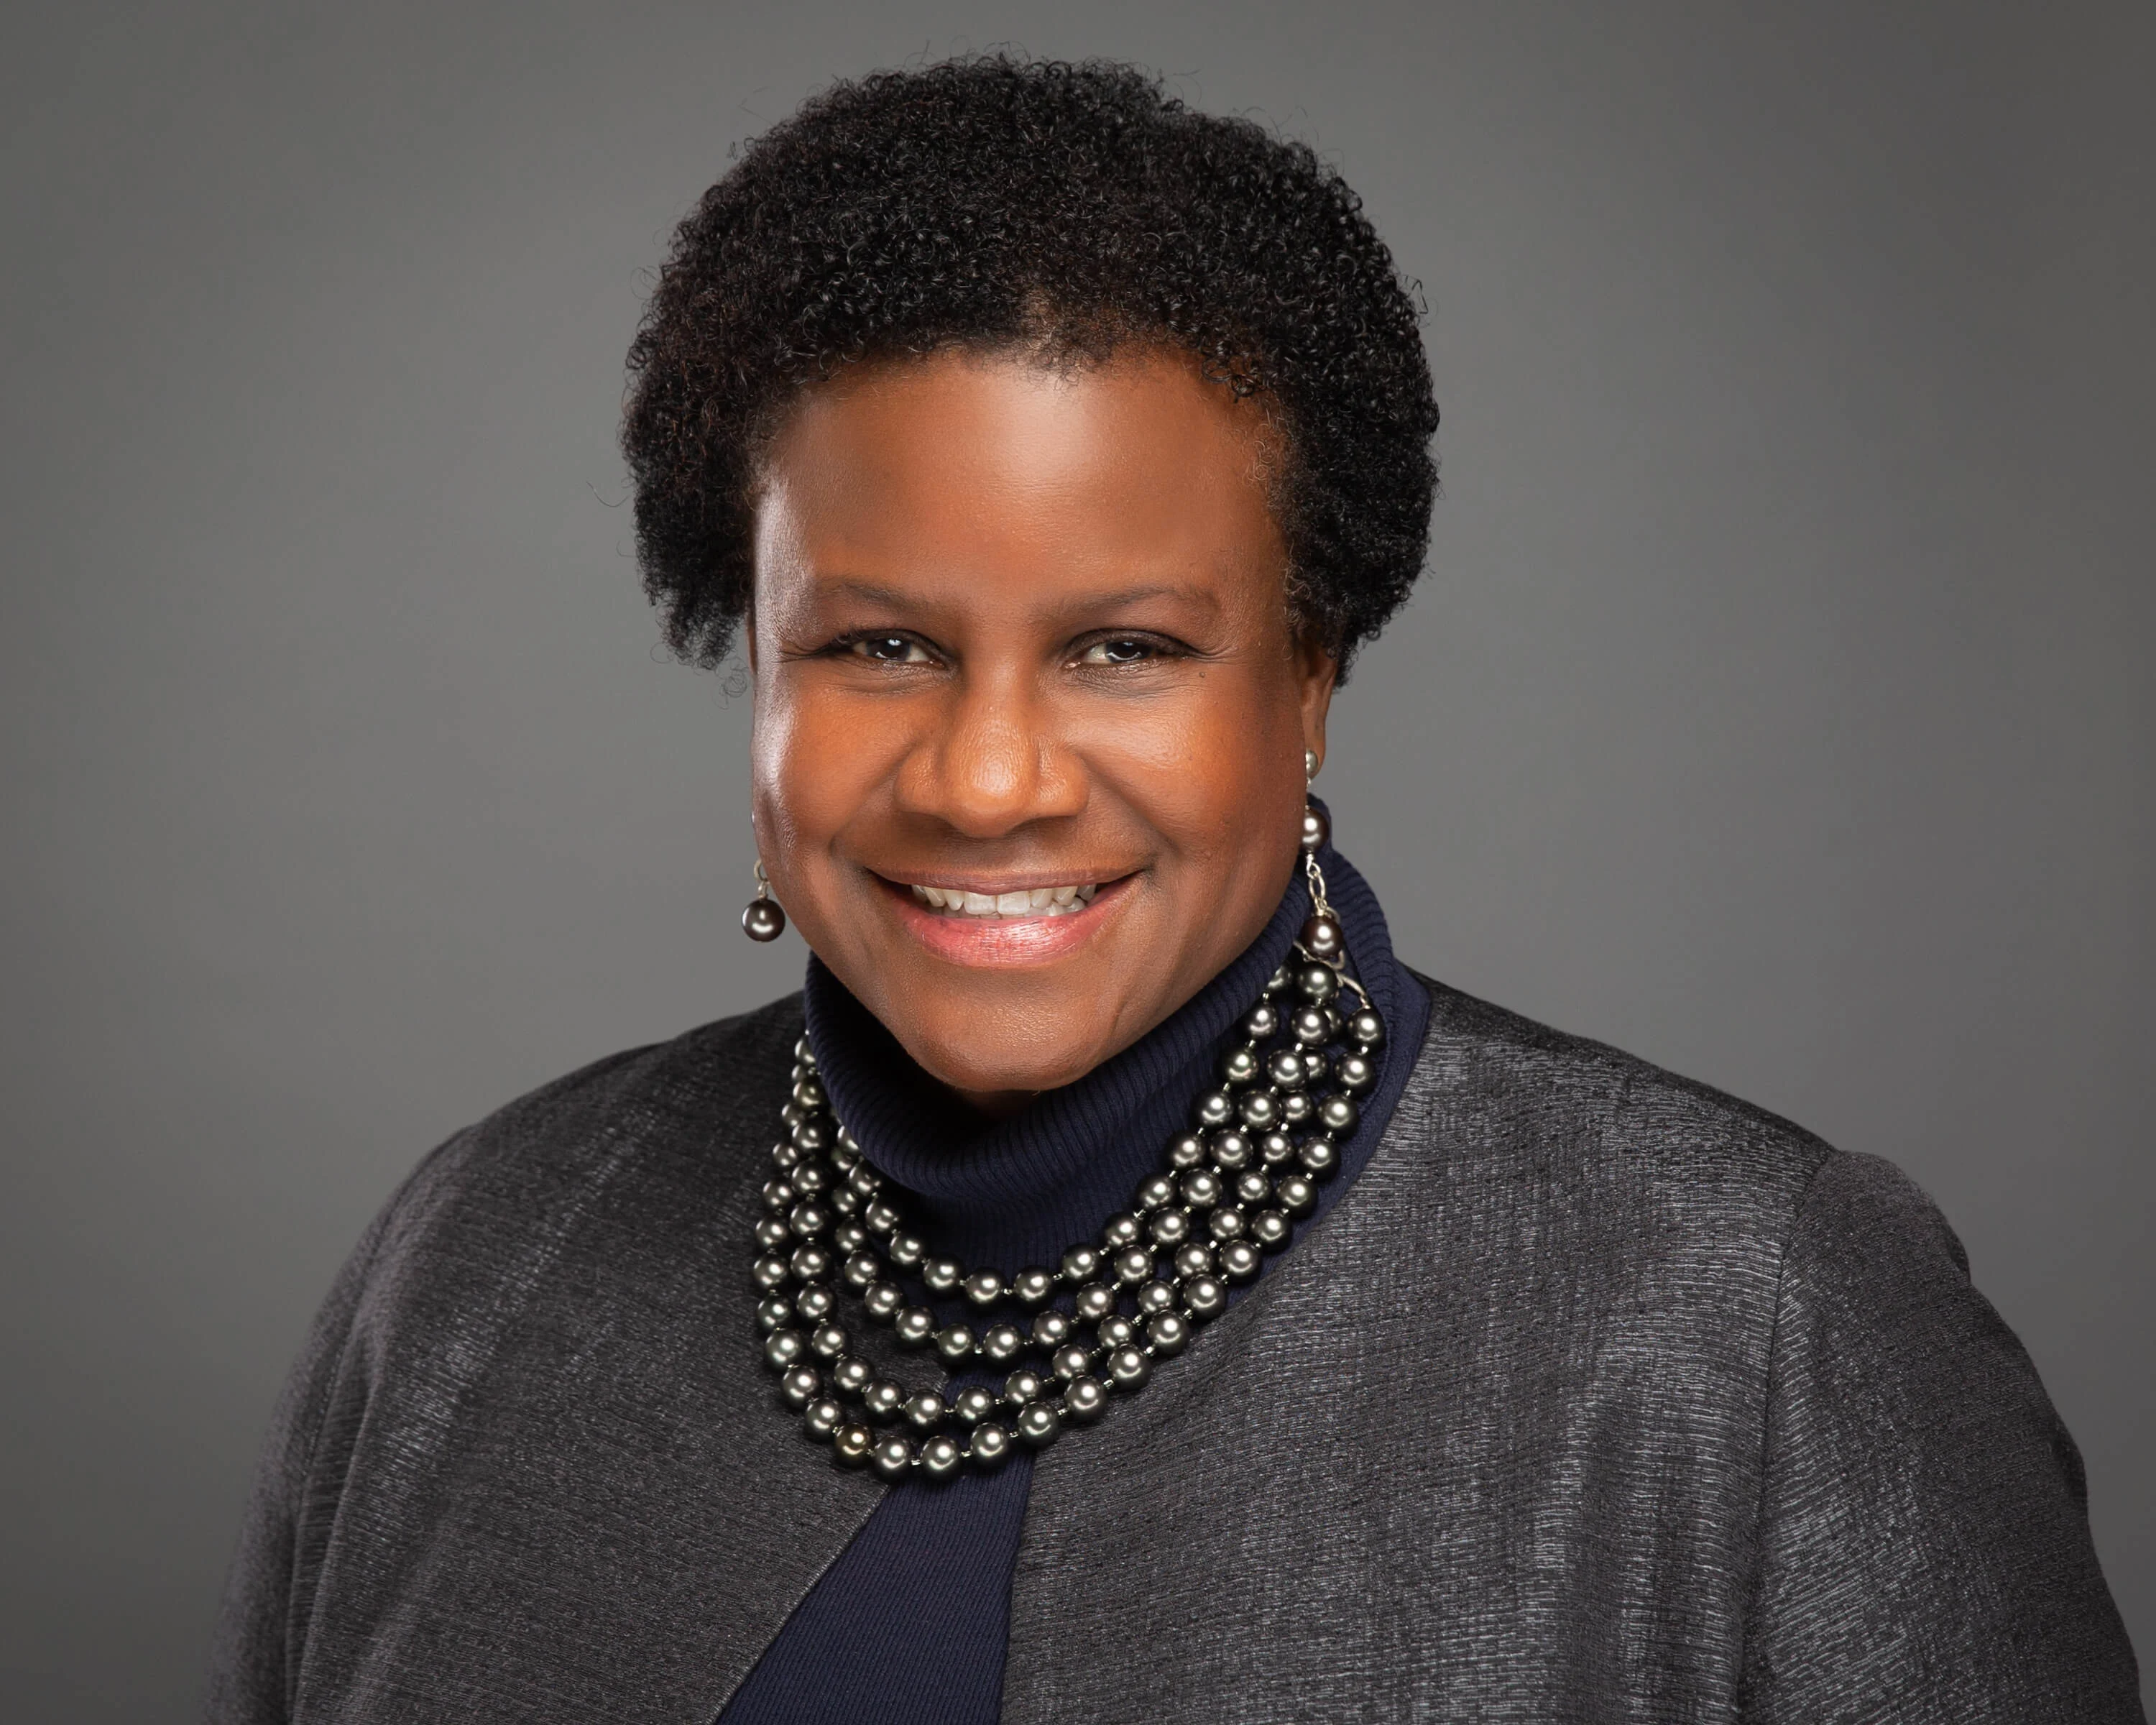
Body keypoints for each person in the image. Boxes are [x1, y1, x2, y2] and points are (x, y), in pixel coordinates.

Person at [205, 55, 2142, 1724]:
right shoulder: (481, 1258)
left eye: (1126, 648)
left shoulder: (1756, 1319)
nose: (985, 780)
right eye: (876, 646)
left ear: (1312, 676)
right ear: (755, 653)